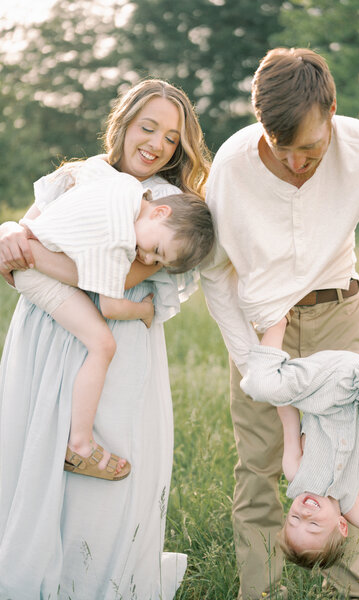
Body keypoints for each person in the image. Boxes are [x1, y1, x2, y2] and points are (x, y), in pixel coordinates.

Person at [200, 47, 359, 600]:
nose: (295, 163)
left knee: (339, 474)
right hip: (266, 331)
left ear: (331, 109)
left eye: (309, 149)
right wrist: (252, 363)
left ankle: (348, 592)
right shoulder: (232, 167)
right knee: (261, 466)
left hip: (340, 316)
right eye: (280, 149)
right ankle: (257, 591)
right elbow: (215, 275)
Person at [0, 79, 210, 599]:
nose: (158, 144)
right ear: (124, 124)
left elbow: (111, 282)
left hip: (113, 351)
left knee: (101, 472)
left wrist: (28, 251)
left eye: (171, 138)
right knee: (33, 455)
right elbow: (26, 239)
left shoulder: (164, 205)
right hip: (45, 334)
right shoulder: (80, 177)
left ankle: (93, 581)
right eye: (149, 128)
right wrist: (10, 231)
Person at [13, 158, 214, 482]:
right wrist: (143, 311)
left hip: (40, 248)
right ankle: (79, 443)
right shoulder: (120, 238)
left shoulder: (125, 189)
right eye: (157, 249)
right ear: (161, 212)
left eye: (159, 261)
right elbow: (110, 306)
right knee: (103, 344)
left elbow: (85, 170)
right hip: (37, 273)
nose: (147, 259)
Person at [240, 315, 359, 579]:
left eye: (294, 519)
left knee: (260, 386)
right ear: (341, 526)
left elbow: (288, 419)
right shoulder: (351, 505)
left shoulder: (296, 473)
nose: (303, 513)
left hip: (321, 382)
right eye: (313, 525)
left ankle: (277, 322)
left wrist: (280, 383)